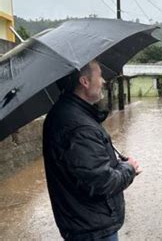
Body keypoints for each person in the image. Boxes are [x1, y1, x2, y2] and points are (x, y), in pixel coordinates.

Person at [42, 60, 140, 240]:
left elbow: (86, 170)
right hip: (93, 229)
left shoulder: (71, 114)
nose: (104, 81)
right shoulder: (79, 126)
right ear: (84, 82)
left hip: (83, 222)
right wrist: (129, 169)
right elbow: (101, 183)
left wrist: (118, 165)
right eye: (99, 75)